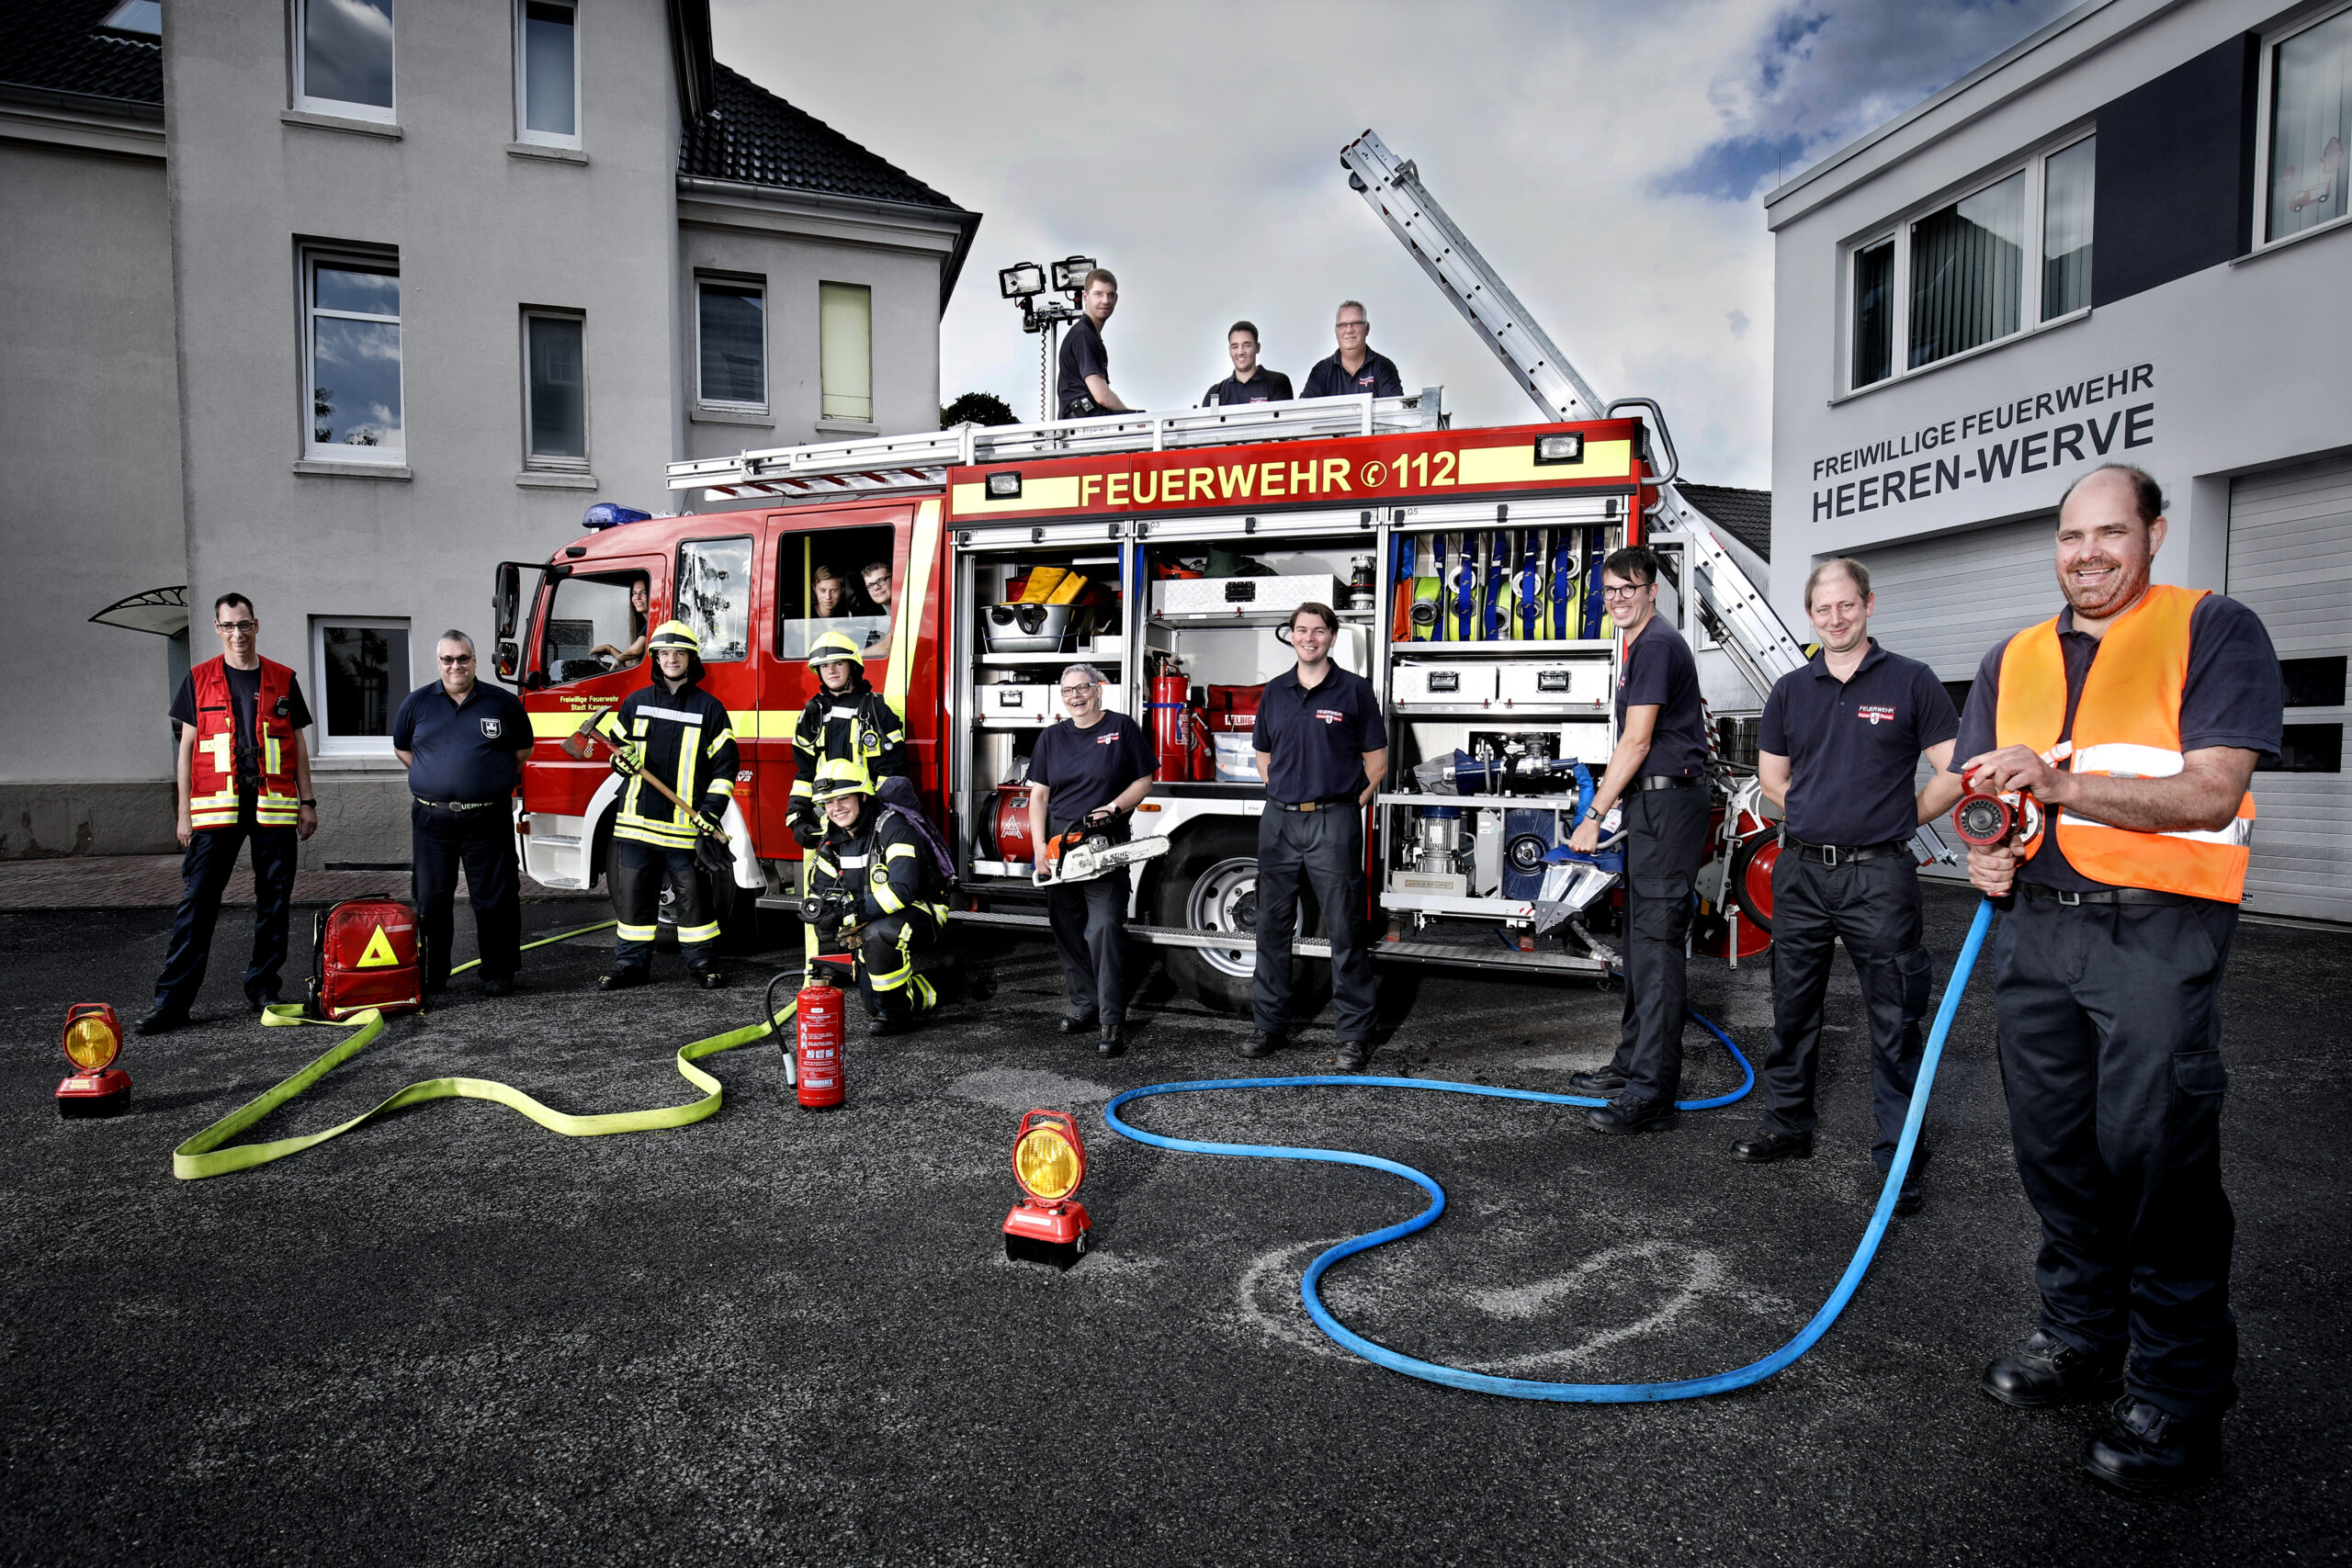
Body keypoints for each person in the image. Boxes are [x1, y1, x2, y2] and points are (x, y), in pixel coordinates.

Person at [1953, 464, 2280, 1495]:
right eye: (2068, 536)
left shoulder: (2214, 629)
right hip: (2034, 937)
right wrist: (1985, 852)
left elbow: (2209, 787)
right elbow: (1981, 795)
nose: (2086, 553)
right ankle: (2079, 1336)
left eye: (2108, 533)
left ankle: (2178, 1397)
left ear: (2153, 534)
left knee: (2155, 1165)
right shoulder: (2010, 656)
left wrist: (2058, 783)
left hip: (2154, 935)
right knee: (2053, 1154)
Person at [1733, 561, 1962, 1211]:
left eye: (1846, 606)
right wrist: (1806, 808)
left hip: (1878, 875)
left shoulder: (1910, 680)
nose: (1834, 618)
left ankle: (1898, 1157)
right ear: (1810, 614)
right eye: (1822, 609)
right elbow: (1772, 777)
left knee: (1894, 1015)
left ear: (1868, 605)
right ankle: (1787, 1124)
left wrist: (1901, 817)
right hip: (1800, 869)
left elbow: (1955, 770)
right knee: (1792, 1003)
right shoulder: (1789, 690)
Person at [1564, 547, 1710, 1133]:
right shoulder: (1645, 645)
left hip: (1668, 805)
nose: (1618, 599)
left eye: (1630, 588)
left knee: (1656, 948)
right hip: (1655, 805)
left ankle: (1652, 1095)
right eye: (1610, 590)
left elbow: (1638, 741)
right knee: (1638, 940)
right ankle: (1630, 1064)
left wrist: (1594, 812)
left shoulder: (1654, 646)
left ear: (1653, 590)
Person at [139, 592, 318, 1032]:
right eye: (228, 626)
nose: (238, 633)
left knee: (273, 902)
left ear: (256, 625)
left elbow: (296, 744)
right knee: (198, 901)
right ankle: (173, 1001)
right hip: (215, 810)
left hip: (273, 807)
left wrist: (308, 802)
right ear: (218, 630)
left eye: (244, 624)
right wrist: (183, 813)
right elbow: (186, 750)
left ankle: (263, 987)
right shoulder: (197, 679)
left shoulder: (282, 678)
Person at [1245, 603, 1387, 1068]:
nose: (1309, 638)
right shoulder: (1274, 692)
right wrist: (1285, 793)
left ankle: (1355, 1034)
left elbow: (1377, 763)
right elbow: (1264, 755)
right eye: (1301, 630)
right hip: (1279, 821)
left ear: (1332, 637)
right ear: (1291, 636)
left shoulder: (1354, 691)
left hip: (1334, 820)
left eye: (1319, 631)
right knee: (1270, 927)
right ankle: (1269, 1026)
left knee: (1345, 929)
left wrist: (1345, 807)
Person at [591, 621, 739, 990]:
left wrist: (711, 811)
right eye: (665, 653)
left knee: (694, 899)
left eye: (680, 653)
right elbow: (617, 750)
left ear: (691, 659)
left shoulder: (711, 709)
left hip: (684, 826)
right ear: (655, 658)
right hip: (636, 822)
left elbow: (725, 767)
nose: (672, 659)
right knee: (634, 898)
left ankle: (703, 963)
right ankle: (630, 966)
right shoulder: (635, 703)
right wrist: (618, 762)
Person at [392, 631, 536, 997]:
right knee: (431, 898)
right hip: (432, 819)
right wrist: (439, 782)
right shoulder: (416, 704)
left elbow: (522, 750)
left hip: (487, 817)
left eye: (463, 658)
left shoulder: (502, 703)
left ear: (475, 660)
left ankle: (498, 971)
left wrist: (481, 781)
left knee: (495, 896)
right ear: (438, 662)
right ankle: (433, 974)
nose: (455, 666)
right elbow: (404, 751)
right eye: (447, 659)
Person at [1027, 663, 1158, 1056]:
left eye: (1082, 688)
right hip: (1059, 850)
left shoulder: (1121, 728)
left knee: (1103, 930)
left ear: (1099, 690)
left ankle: (1111, 1020)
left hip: (1105, 847)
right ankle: (1086, 1007)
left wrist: (1113, 808)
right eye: (1067, 691)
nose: (1075, 697)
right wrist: (1038, 852)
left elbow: (1144, 780)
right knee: (1067, 931)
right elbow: (1038, 797)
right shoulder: (1052, 737)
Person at [804, 760, 951, 1034]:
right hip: (872, 913)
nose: (836, 809)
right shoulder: (832, 839)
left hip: (923, 908)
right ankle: (947, 982)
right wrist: (824, 913)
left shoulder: (894, 827)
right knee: (874, 1002)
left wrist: (851, 915)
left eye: (843, 799)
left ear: (862, 796)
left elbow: (902, 890)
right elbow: (822, 889)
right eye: (828, 802)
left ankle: (896, 1017)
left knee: (880, 935)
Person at [786, 629, 908, 850]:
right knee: (817, 880)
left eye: (838, 663)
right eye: (824, 666)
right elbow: (804, 774)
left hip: (867, 820)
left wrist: (873, 813)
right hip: (825, 819)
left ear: (853, 666)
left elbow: (891, 772)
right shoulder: (812, 714)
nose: (831, 671)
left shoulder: (876, 711)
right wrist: (797, 816)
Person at [1056, 268, 1131, 419]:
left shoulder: (1090, 335)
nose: (1105, 300)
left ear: (1116, 299)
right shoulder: (1083, 334)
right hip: (1082, 422)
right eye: (1098, 294)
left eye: (1111, 295)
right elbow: (1102, 396)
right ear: (1086, 296)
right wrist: (1134, 418)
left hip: (1085, 418)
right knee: (1142, 422)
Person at [1300, 300, 1404, 400]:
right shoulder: (1321, 370)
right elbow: (1305, 412)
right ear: (1336, 331)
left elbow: (1393, 414)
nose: (1349, 330)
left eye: (1356, 323)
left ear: (1367, 329)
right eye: (1343, 325)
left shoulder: (1384, 368)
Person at [1202, 321, 1295, 407]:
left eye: (1247, 345)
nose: (1240, 352)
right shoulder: (1215, 393)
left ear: (1257, 348)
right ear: (1230, 351)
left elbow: (1282, 423)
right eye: (1235, 346)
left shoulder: (1277, 383)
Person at [589, 576, 650, 667]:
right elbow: (630, 662)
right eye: (634, 593)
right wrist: (609, 648)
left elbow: (634, 652)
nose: (637, 597)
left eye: (643, 593)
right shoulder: (644, 624)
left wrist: (618, 658)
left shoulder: (652, 624)